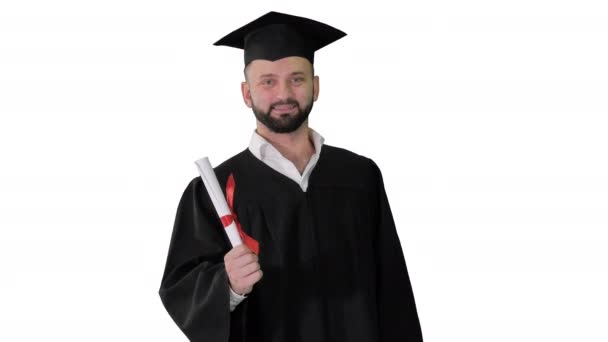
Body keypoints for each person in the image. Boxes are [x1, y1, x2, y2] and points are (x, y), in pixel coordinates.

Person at [158, 11, 423, 342]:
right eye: (267, 81)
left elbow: (393, 290)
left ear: (316, 86)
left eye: (296, 79)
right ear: (246, 93)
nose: (283, 94)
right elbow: (180, 290)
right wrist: (226, 285)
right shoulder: (215, 190)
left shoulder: (359, 176)